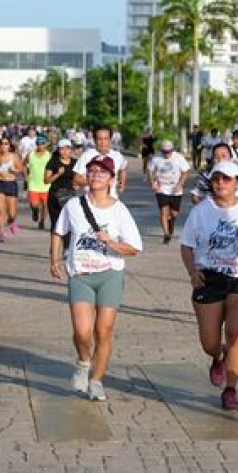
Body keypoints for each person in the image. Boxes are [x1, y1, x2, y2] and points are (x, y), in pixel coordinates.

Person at [181, 159, 238, 410]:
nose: (221, 182)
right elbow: (187, 245)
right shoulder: (201, 211)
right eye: (216, 178)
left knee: (236, 335)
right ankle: (218, 356)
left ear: (237, 183)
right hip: (208, 278)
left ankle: (231, 389)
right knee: (209, 343)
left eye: (226, 179)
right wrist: (192, 271)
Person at [50, 156, 143, 402]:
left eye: (102, 173)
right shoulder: (73, 206)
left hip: (110, 274)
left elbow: (135, 248)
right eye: (91, 172)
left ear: (111, 179)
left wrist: (111, 242)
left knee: (103, 331)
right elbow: (59, 232)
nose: (96, 176)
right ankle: (83, 362)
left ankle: (97, 380)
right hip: (81, 274)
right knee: (82, 332)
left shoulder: (119, 210)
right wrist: (54, 260)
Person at [147, 140, 191, 243]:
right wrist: (152, 183)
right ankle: (166, 234)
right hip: (161, 188)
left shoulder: (179, 158)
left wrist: (180, 184)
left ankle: (170, 225)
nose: (167, 154)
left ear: (172, 150)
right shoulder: (156, 158)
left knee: (174, 214)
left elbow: (185, 172)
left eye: (169, 152)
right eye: (164, 152)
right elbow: (150, 170)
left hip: (175, 189)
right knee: (163, 211)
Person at [192, 142, 238, 206]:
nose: (220, 159)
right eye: (216, 157)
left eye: (224, 156)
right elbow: (195, 198)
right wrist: (208, 208)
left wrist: (235, 205)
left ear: (231, 158)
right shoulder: (206, 176)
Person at [73, 127, 128, 198]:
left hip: (111, 199)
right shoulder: (87, 155)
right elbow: (76, 178)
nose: (103, 142)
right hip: (91, 200)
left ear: (110, 140)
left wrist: (122, 183)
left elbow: (123, 168)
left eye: (106, 139)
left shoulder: (118, 156)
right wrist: (97, 183)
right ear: (95, 140)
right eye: (99, 139)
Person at [0, 136, 22, 241]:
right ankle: (2, 233)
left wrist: (14, 170)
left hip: (11, 184)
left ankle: (12, 222)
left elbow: (20, 169)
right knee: (1, 211)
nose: (4, 146)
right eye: (2, 144)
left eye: (6, 143)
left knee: (12, 214)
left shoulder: (14, 156)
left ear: (9, 146)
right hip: (0, 184)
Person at [45, 138, 78, 229]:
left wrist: (77, 184)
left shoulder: (75, 162)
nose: (65, 151)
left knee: (69, 225)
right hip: (55, 196)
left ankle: (67, 243)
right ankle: (55, 242)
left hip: (70, 196)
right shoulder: (53, 162)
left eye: (67, 148)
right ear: (58, 150)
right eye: (62, 149)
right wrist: (58, 174)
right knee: (56, 225)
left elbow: (79, 178)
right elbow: (46, 181)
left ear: (70, 150)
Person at [26, 135, 53, 229]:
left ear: (45, 145)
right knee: (33, 204)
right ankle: (35, 211)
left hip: (46, 184)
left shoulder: (49, 155)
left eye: (42, 144)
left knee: (46, 205)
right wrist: (26, 176)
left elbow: (53, 167)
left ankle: (42, 221)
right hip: (33, 183)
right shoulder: (31, 154)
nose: (40, 146)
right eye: (38, 143)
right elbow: (23, 164)